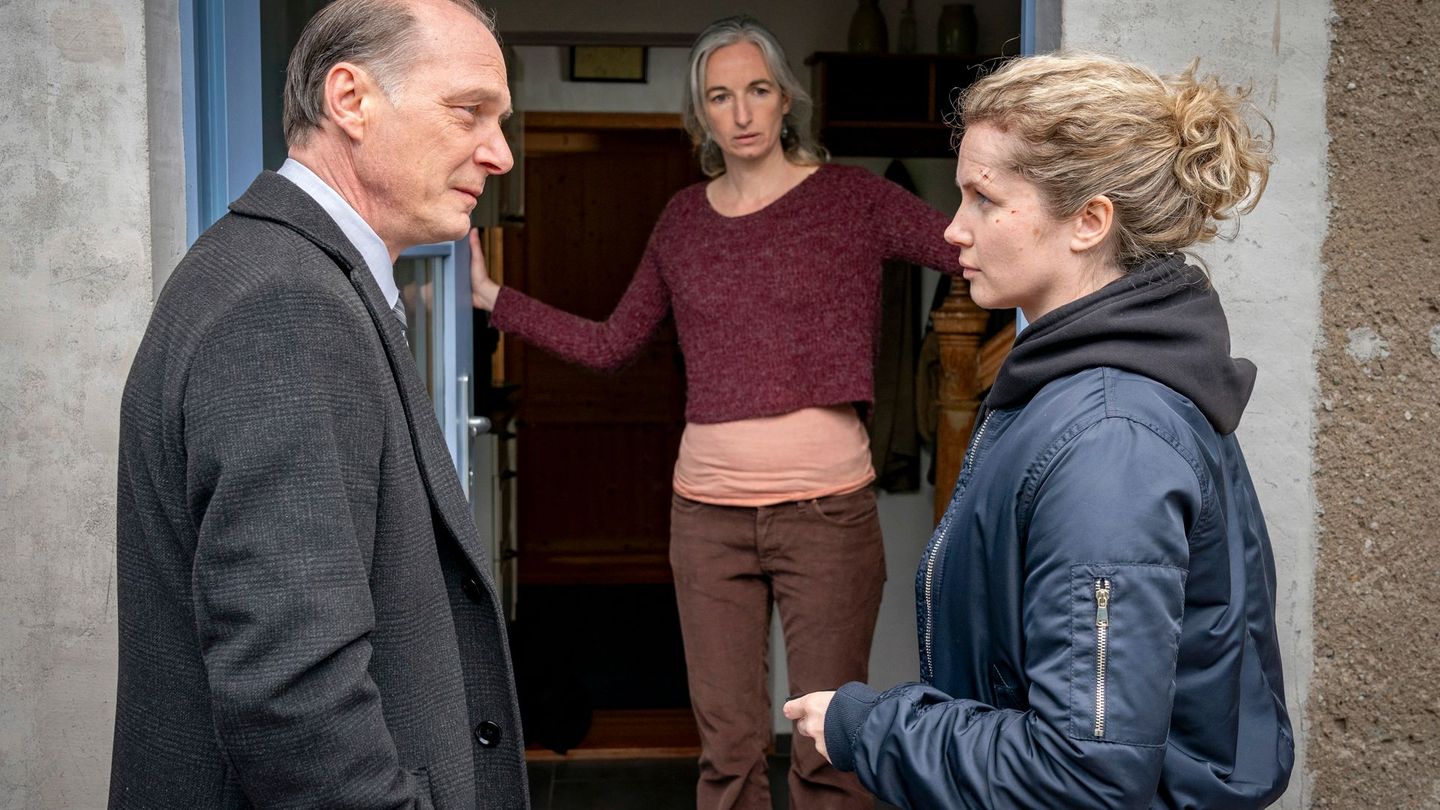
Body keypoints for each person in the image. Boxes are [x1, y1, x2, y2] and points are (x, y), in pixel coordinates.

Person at [469, 16, 956, 810]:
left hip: (827, 516)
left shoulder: (852, 199)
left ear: (786, 99)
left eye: (758, 90)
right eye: (720, 96)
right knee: (726, 757)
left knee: (828, 750)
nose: (742, 112)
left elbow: (972, 248)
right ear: (700, 115)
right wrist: (495, 298)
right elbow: (613, 344)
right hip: (706, 520)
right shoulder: (683, 221)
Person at [784, 52, 1295, 808]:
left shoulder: (1111, 441)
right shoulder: (1074, 388)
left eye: (984, 199)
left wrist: (870, 727)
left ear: (1089, 221)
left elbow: (1083, 774)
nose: (953, 229)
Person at [109, 1, 527, 806]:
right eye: (468, 111)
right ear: (350, 99)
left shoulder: (281, 270)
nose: (499, 152)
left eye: (499, 121)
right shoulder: (287, 305)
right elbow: (292, 695)